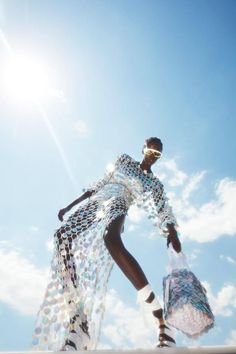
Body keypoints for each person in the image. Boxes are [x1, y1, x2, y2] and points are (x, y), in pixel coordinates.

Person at [32, 137, 181, 351]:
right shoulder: (124, 161)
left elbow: (163, 208)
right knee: (62, 237)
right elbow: (99, 185)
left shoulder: (153, 182)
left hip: (119, 203)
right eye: (150, 149)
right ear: (143, 148)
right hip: (97, 202)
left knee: (111, 240)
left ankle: (161, 320)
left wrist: (172, 231)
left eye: (157, 154)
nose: (152, 155)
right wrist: (69, 206)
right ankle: (78, 322)